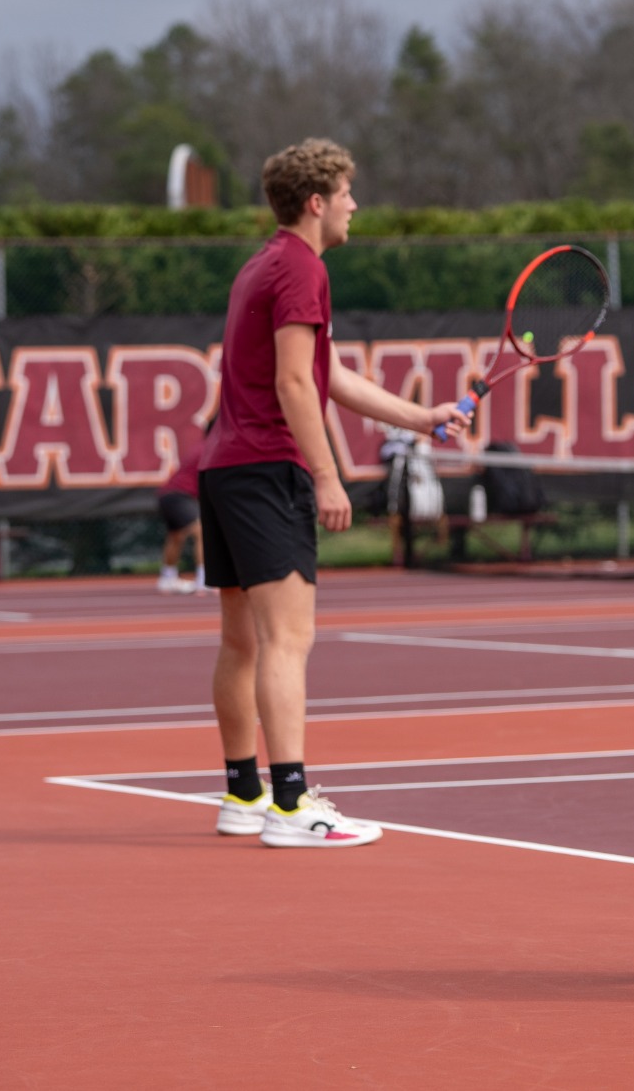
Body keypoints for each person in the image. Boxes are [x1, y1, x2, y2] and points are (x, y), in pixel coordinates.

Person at [201, 138, 469, 846]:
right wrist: (326, 473)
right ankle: (291, 804)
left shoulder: (263, 264)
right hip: (268, 469)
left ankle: (244, 793)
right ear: (316, 202)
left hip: (225, 466)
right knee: (288, 639)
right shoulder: (301, 268)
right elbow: (295, 385)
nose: (356, 205)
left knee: (243, 643)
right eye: (348, 192)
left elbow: (324, 373)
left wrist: (419, 416)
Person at [156, 447, 204, 594]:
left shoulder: (199, 449)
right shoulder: (211, 449)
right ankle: (204, 579)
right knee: (201, 533)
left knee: (175, 536)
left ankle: (167, 578)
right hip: (181, 495)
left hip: (166, 495)